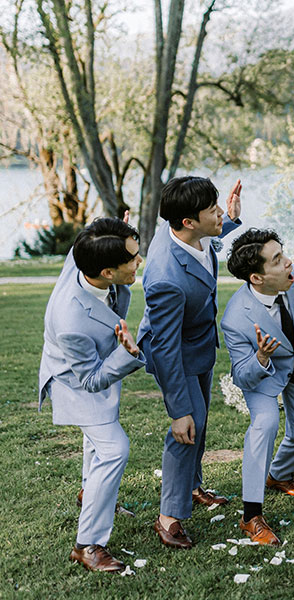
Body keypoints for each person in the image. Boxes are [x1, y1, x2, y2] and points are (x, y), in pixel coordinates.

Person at [137, 176, 242, 549]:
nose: (218, 213)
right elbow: (163, 347)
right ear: (187, 222)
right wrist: (177, 409)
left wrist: (227, 219)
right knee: (187, 428)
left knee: (202, 420)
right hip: (175, 354)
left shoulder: (185, 232)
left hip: (199, 344)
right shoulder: (166, 277)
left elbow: (208, 236)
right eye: (211, 210)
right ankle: (169, 516)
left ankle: (193, 486)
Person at [39, 218, 145, 571]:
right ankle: (87, 545)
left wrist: (115, 235)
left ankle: (91, 493)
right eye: (131, 259)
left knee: (98, 444)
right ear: (107, 272)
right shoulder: (71, 321)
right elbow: (90, 380)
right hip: (73, 381)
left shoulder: (86, 254)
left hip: (91, 365)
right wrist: (126, 355)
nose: (138, 261)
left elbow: (85, 241)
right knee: (114, 447)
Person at [221, 228, 294, 544]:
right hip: (265, 374)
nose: (289, 262)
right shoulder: (235, 318)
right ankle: (251, 517)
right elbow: (243, 376)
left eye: (283, 253)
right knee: (265, 424)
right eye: (277, 260)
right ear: (257, 278)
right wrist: (260, 357)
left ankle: (280, 475)